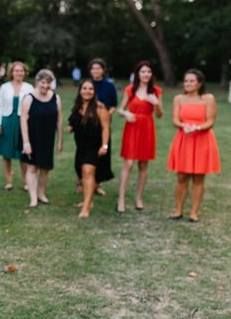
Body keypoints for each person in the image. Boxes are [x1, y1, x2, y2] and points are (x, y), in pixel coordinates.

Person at [167, 69, 220, 222]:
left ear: (199, 83)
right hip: (184, 138)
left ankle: (194, 212)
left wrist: (196, 128)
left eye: (191, 81)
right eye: (186, 81)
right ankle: (178, 210)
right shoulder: (178, 98)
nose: (188, 84)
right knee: (182, 176)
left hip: (202, 139)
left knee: (198, 177)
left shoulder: (208, 98)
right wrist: (184, 126)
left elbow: (210, 121)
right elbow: (175, 120)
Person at [116, 61, 163, 212]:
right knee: (128, 164)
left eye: (148, 72)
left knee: (143, 165)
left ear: (152, 74)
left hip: (147, 128)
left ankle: (138, 198)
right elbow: (120, 109)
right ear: (137, 74)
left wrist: (156, 104)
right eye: (143, 72)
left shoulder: (156, 91)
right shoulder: (130, 89)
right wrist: (125, 113)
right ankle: (121, 199)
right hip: (132, 126)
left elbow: (160, 116)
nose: (146, 74)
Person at [67, 80, 111, 218]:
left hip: (95, 147)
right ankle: (88, 201)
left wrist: (104, 146)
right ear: (80, 91)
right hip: (81, 147)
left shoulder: (100, 108)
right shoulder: (77, 107)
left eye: (90, 89)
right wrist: (70, 127)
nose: (87, 91)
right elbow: (73, 122)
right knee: (83, 175)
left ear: (94, 92)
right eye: (84, 88)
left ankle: (86, 208)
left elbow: (105, 129)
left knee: (88, 172)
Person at [20, 69, 63, 208]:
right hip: (32, 138)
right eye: (43, 83)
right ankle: (33, 198)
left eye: (48, 83)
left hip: (48, 138)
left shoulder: (56, 98)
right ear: (38, 82)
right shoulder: (29, 98)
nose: (45, 86)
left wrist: (60, 140)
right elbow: (23, 121)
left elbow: (59, 121)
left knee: (45, 168)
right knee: (32, 167)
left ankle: (41, 193)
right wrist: (26, 142)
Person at [0, 61, 34, 191]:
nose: (19, 73)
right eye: (16, 71)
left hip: (23, 123)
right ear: (11, 73)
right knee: (6, 153)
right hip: (6, 121)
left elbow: (33, 107)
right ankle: (9, 181)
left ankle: (25, 182)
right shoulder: (4, 87)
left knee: (22, 153)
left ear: (25, 73)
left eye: (21, 71)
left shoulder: (29, 87)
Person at [88, 58, 117, 196]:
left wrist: (106, 115)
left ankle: (97, 183)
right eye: (93, 68)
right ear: (90, 70)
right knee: (87, 152)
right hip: (88, 124)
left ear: (103, 70)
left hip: (103, 125)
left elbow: (113, 106)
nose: (96, 71)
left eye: (98, 68)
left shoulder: (109, 85)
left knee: (102, 154)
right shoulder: (87, 84)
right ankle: (84, 180)